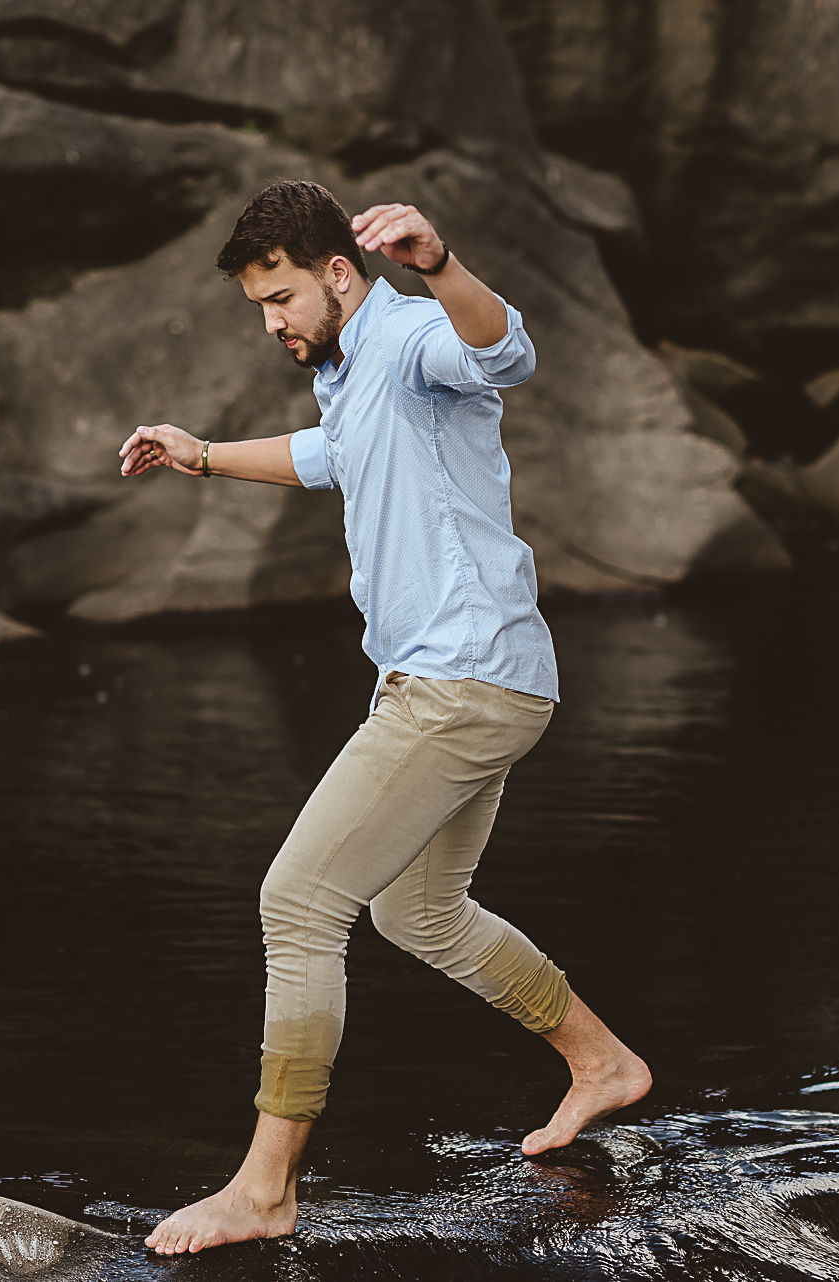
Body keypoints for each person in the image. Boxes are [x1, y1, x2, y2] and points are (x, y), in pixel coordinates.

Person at [118, 180, 651, 1252]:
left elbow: (507, 356)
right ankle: (604, 1062)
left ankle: (265, 1189)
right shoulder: (353, 373)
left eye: (280, 298)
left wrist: (441, 262)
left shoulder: (409, 332)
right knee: (419, 910)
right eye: (258, 306)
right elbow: (328, 458)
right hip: (467, 677)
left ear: (339, 274)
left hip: (461, 681)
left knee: (298, 900)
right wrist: (205, 453)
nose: (273, 323)